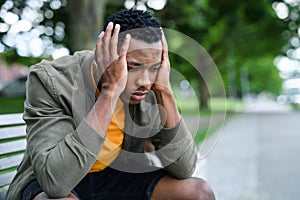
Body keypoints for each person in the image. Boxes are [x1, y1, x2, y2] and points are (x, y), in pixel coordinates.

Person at [7, 9, 215, 200]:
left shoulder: (151, 87)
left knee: (198, 193)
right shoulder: (52, 80)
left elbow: (185, 168)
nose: (145, 81)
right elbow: (56, 183)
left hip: (114, 174)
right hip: (61, 180)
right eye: (133, 67)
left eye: (154, 68)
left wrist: (165, 91)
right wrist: (110, 92)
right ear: (103, 53)